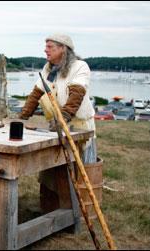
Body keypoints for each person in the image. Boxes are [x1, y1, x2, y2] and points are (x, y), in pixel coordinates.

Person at [17, 33, 97, 213]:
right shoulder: (48, 69)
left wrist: (65, 116)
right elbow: (36, 93)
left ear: (63, 48)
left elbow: (77, 92)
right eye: (46, 46)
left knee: (76, 171)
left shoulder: (79, 67)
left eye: (50, 46)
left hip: (78, 124)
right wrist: (22, 116)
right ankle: (51, 208)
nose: (45, 50)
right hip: (57, 125)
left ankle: (78, 211)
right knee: (51, 167)